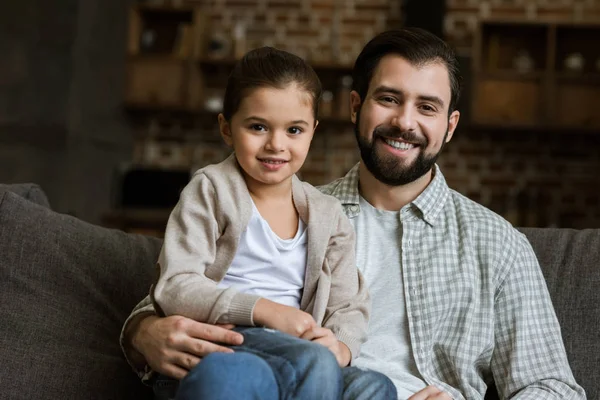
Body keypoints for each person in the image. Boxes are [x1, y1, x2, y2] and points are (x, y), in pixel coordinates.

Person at [121, 29, 586, 400]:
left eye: (427, 107)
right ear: (356, 106)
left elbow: (554, 387)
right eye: (388, 99)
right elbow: (175, 287)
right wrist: (144, 333)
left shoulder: (498, 244)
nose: (405, 121)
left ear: (449, 126)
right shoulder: (297, 208)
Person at [131, 46, 396, 400]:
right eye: (258, 126)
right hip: (229, 343)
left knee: (374, 387)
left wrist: (341, 346)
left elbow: (348, 305)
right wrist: (266, 312)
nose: (276, 144)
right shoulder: (211, 190)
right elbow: (175, 286)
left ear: (312, 132)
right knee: (272, 370)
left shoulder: (329, 217)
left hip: (298, 352)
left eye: (294, 130)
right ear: (227, 128)